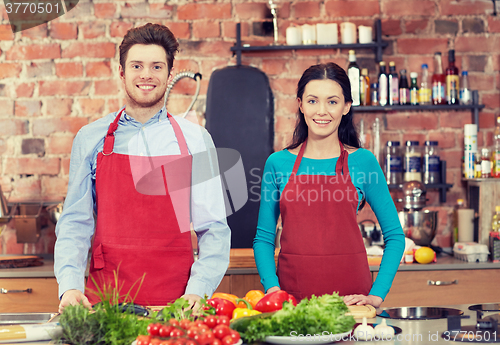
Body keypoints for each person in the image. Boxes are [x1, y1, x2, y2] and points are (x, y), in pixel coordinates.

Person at [54, 23, 230, 313]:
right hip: (105, 305)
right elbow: (75, 223)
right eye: (137, 66)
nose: (146, 75)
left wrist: (198, 292)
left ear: (170, 74)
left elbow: (214, 229)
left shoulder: (195, 139)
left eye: (157, 66)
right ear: (122, 73)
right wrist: (70, 286)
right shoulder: (91, 138)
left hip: (176, 304)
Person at [253, 62, 405, 307]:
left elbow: (395, 236)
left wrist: (376, 296)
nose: (321, 111)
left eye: (332, 102)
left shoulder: (363, 162)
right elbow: (263, 238)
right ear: (301, 104)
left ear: (346, 107)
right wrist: (273, 290)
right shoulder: (277, 164)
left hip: (353, 303)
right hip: (294, 302)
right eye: (313, 101)